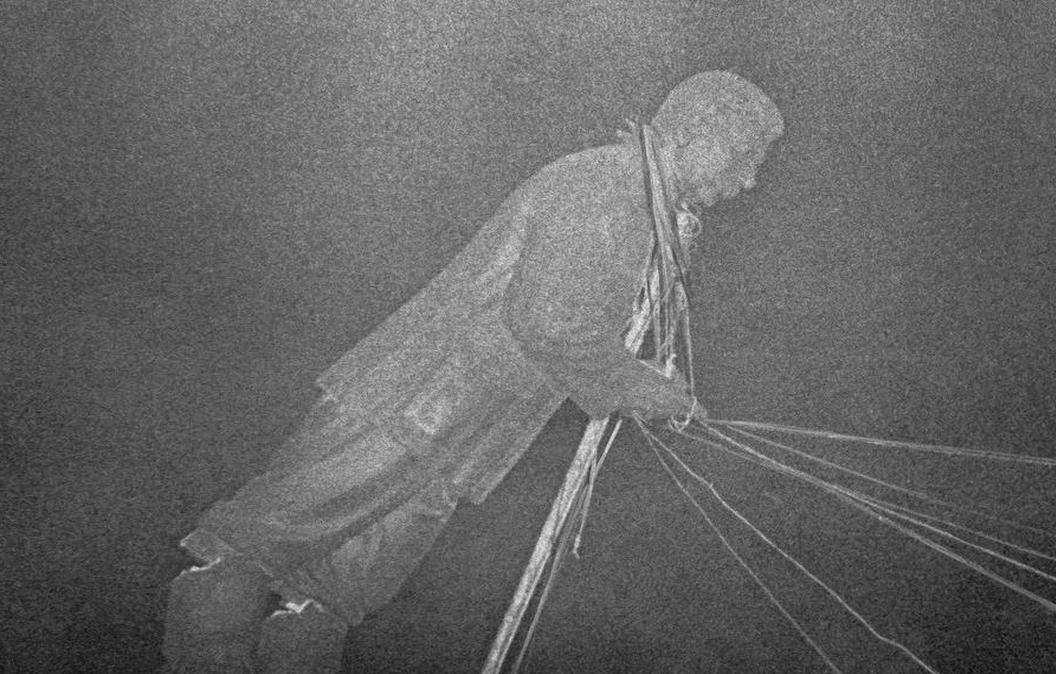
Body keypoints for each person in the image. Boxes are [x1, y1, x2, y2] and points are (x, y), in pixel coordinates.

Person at [162, 70, 783, 673]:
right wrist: (645, 389)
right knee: (249, 555)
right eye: (745, 156)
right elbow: (551, 321)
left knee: (330, 600)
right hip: (409, 403)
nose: (750, 180)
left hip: (455, 431)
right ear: (696, 132)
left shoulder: (643, 208)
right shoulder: (607, 187)